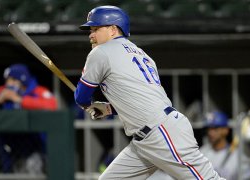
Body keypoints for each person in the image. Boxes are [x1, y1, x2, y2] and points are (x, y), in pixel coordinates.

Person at [74, 5, 223, 180]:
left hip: (160, 132)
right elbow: (138, 98)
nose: (91, 34)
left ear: (113, 29)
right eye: (90, 30)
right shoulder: (141, 54)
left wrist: (87, 105)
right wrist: (107, 109)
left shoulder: (101, 52)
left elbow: (81, 97)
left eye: (96, 29)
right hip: (147, 139)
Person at [149, 111, 250, 180]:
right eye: (209, 129)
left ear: (225, 130)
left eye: (215, 129)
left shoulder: (237, 157)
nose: (210, 133)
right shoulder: (201, 152)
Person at [0, 63, 57, 173]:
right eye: (8, 79)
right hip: (8, 145)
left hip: (35, 145)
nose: (9, 83)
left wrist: (20, 100)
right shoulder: (2, 91)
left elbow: (51, 105)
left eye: (13, 79)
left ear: (22, 79)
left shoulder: (37, 91)